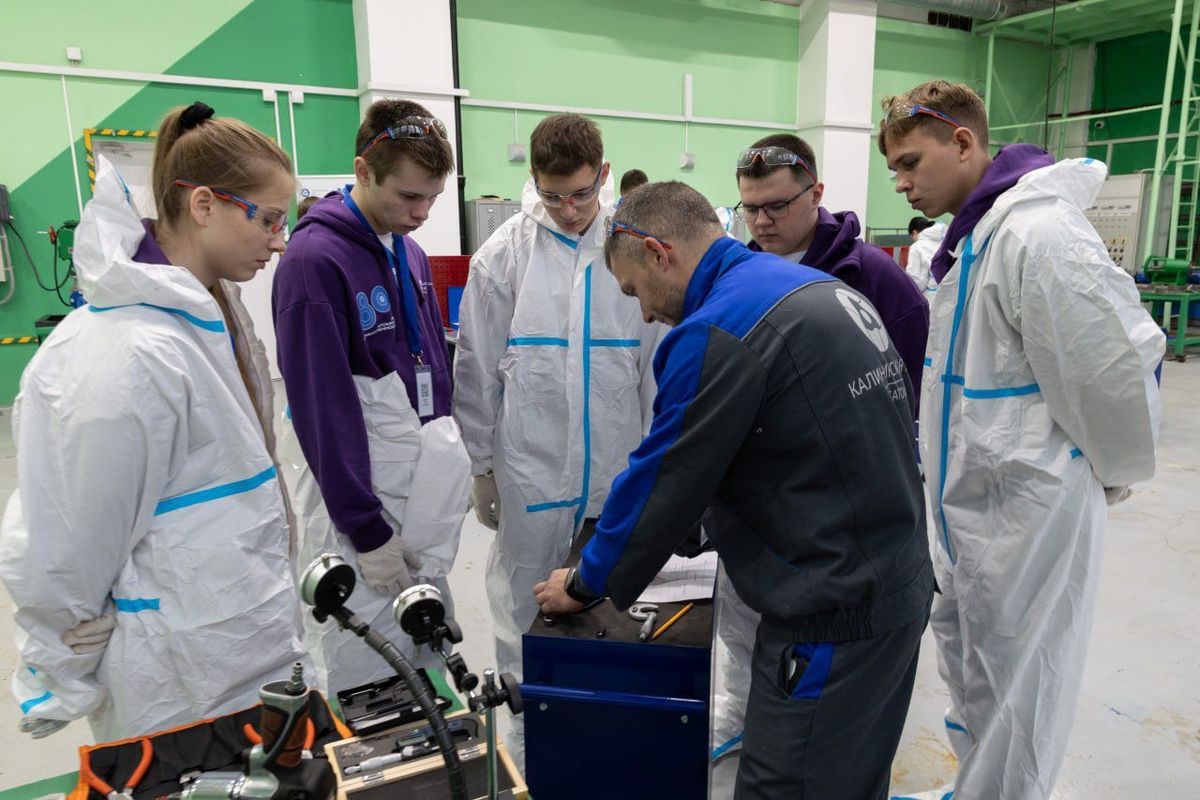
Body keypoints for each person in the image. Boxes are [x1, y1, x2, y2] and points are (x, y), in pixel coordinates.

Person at [534, 181, 933, 800]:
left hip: (834, 615)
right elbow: (791, 442)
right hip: (893, 583)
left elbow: (662, 477)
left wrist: (587, 581)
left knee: (786, 788)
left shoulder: (718, 329)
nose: (645, 314)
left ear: (657, 253)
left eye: (635, 291)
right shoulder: (805, 286)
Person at [879, 81, 1164, 800]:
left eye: (910, 163)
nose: (902, 183)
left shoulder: (1040, 235)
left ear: (963, 142)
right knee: (974, 669)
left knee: (1021, 690)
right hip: (972, 510)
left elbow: (1108, 371)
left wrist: (1111, 472)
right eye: (894, 170)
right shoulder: (971, 239)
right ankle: (976, 788)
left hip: (1030, 510)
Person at [0, 101, 308, 741]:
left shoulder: (215, 313)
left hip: (239, 648)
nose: (280, 241)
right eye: (270, 219)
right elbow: (70, 542)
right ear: (205, 205)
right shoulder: (126, 352)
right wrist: (58, 668)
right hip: (171, 679)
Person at [709, 132, 932, 776]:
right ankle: (743, 713)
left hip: (846, 508)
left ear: (817, 194)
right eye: (750, 208)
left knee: (828, 642)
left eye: (777, 205)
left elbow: (912, 386)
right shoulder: (737, 275)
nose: (761, 222)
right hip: (761, 493)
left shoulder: (874, 279)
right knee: (742, 615)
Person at [453, 113, 660, 762]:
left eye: (580, 193)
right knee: (521, 616)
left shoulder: (634, 249)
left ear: (604, 174)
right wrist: (480, 466)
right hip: (532, 477)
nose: (568, 210)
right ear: (534, 180)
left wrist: (662, 467)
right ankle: (527, 757)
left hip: (617, 478)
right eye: (552, 195)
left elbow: (656, 371)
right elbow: (476, 369)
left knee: (616, 614)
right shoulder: (504, 255)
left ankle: (605, 749)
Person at [273, 99, 470, 697]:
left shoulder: (407, 250)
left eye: (433, 198)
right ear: (363, 170)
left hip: (417, 488)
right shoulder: (314, 261)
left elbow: (429, 368)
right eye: (409, 196)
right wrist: (365, 529)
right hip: (360, 504)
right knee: (369, 668)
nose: (422, 213)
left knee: (424, 651)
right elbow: (323, 410)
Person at [906, 215, 945, 295]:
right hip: (950, 291)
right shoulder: (943, 241)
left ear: (914, 232)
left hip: (932, 295)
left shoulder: (917, 246)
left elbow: (917, 282)